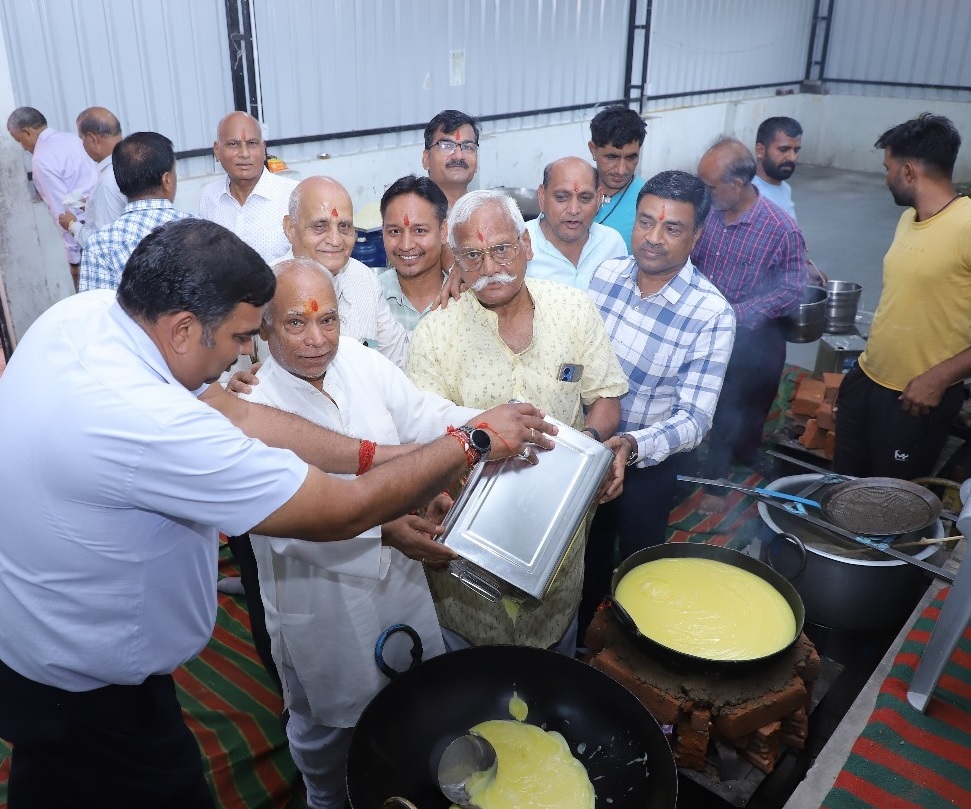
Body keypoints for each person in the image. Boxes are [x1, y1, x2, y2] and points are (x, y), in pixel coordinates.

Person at [0, 217, 550, 808]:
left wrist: (392, 456)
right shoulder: (150, 424)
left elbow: (238, 416)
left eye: (326, 319)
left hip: (42, 646)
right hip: (88, 686)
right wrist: (470, 444)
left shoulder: (85, 317)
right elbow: (338, 511)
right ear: (184, 328)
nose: (246, 356)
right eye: (243, 336)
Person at [244, 257, 480, 808]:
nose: (316, 339)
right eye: (296, 324)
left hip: (399, 583)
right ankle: (325, 798)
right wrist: (388, 531)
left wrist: (484, 424)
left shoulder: (358, 361)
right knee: (328, 729)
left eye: (328, 320)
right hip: (318, 598)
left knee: (418, 701)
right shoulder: (252, 406)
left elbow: (423, 415)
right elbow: (287, 527)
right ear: (264, 325)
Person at [408, 189, 629, 655]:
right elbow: (421, 439)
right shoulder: (434, 334)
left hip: (559, 545)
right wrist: (437, 491)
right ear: (457, 263)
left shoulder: (574, 310)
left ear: (527, 245)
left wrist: (585, 454)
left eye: (502, 248)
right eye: (473, 255)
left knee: (552, 670)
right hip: (464, 557)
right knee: (468, 684)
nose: (491, 267)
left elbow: (605, 398)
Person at [580, 170, 735, 634]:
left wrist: (630, 443)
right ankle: (582, 637)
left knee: (637, 567)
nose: (652, 238)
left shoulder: (711, 314)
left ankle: (632, 649)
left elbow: (694, 418)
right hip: (587, 447)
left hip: (646, 463)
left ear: (697, 235)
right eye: (645, 222)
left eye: (672, 228)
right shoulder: (606, 276)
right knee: (581, 556)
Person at [835, 113, 971, 479]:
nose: (886, 178)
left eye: (888, 168)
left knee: (887, 506)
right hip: (868, 380)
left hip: (916, 399)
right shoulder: (908, 218)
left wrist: (938, 379)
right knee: (843, 488)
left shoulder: (967, 225)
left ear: (909, 172)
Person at [692, 137, 807, 512]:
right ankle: (713, 473)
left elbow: (792, 288)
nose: (702, 192)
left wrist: (737, 314)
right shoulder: (705, 211)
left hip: (756, 335)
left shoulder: (780, 228)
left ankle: (734, 463)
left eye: (709, 186)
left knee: (747, 404)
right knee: (718, 403)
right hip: (705, 328)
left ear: (736, 185)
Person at [279, 176, 410, 368]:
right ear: (290, 228)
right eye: (320, 226)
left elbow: (398, 355)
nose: (335, 240)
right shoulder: (262, 290)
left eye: (344, 226)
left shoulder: (364, 279)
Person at [79, 131, 192, 291]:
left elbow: (96, 309)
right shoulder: (197, 229)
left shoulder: (100, 244)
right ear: (167, 180)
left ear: (120, 182)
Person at [6, 106, 98, 288]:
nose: (23, 148)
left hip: (83, 237)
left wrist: (74, 261)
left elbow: (63, 213)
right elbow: (82, 191)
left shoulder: (42, 160)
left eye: (19, 140)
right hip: (103, 221)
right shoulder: (72, 140)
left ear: (27, 132)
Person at [198, 111, 297, 264]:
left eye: (252, 144)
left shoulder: (293, 195)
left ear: (263, 149)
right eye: (233, 144)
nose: (244, 154)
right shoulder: (210, 196)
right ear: (216, 150)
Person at [525, 156, 626, 289]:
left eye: (585, 198)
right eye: (561, 198)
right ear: (542, 196)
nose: (573, 210)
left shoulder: (612, 244)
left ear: (598, 199)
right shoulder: (519, 245)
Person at [379, 174, 450, 330]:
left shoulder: (464, 297)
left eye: (419, 230)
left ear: (443, 231)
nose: (406, 245)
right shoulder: (370, 298)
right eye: (395, 231)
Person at [57, 107, 126, 248]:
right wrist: (90, 206)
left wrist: (72, 224)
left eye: (82, 139)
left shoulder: (107, 181)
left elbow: (105, 243)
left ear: (92, 139)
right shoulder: (128, 164)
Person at [422, 109, 480, 273]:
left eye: (468, 147)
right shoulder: (414, 211)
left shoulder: (486, 211)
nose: (458, 155)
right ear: (426, 159)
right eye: (447, 146)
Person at [588, 105, 648, 252]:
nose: (621, 170)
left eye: (631, 157)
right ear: (593, 150)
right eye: (612, 157)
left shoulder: (649, 200)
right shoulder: (573, 189)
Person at [752, 116, 803, 221]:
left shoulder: (785, 188)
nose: (792, 158)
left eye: (796, 150)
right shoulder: (750, 195)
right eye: (783, 149)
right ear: (760, 150)